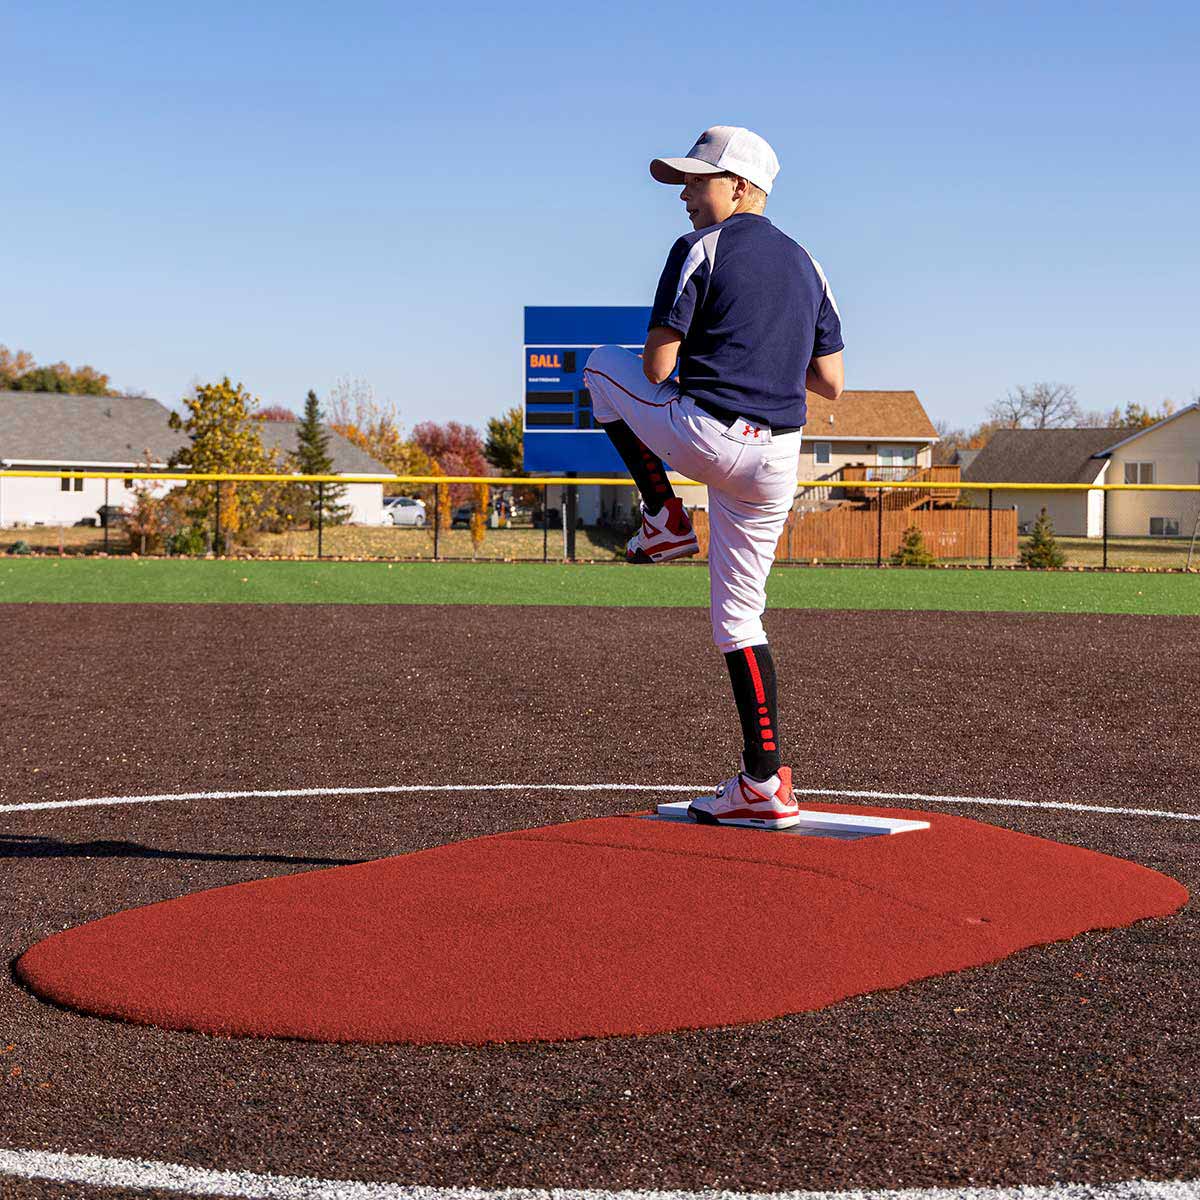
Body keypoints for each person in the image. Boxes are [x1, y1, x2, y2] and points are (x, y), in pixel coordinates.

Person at [582, 125, 844, 830]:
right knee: (738, 618)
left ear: (743, 186)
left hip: (710, 437)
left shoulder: (701, 248)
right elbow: (831, 382)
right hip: (778, 460)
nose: (687, 196)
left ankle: (663, 516)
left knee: (597, 369)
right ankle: (764, 783)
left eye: (699, 181)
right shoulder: (809, 263)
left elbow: (657, 369)